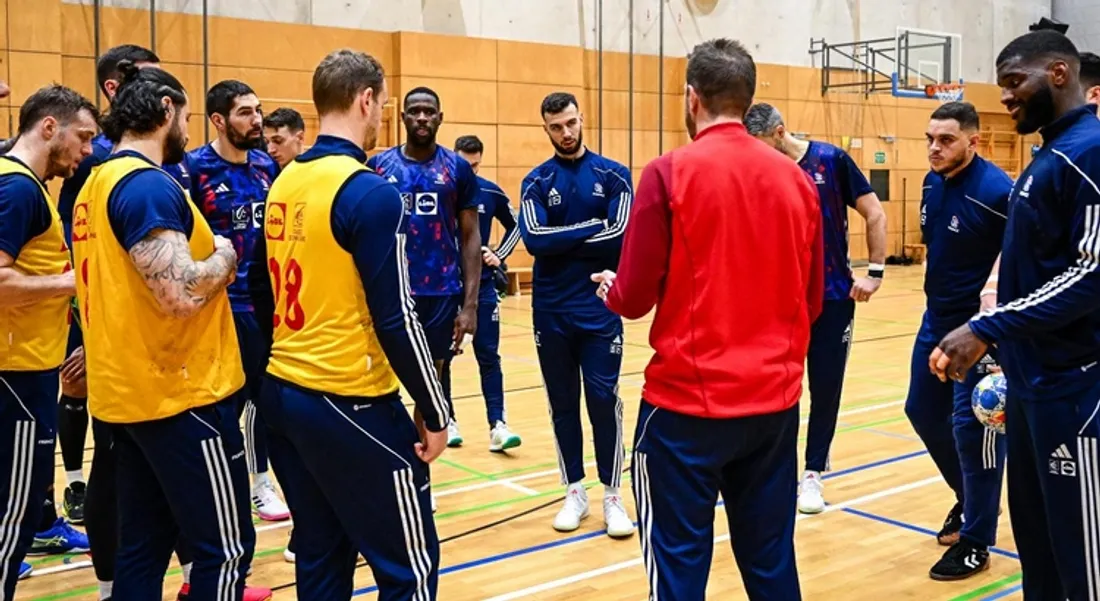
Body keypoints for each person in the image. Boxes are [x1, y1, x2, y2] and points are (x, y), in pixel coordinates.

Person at [591, 38, 821, 600]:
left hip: (686, 411)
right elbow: (812, 299)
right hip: (773, 408)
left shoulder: (669, 172)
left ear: (691, 97)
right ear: (747, 100)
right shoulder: (797, 180)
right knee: (771, 567)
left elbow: (636, 296)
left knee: (678, 573)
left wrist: (612, 292)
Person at [255, 48, 451, 601]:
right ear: (366, 100)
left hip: (284, 394)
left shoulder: (286, 180)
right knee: (409, 568)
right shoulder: (369, 190)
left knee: (320, 552)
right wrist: (435, 408)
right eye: (383, 104)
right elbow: (397, 316)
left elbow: (257, 287)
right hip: (349, 398)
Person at [70, 61, 255, 601]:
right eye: (189, 119)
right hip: (180, 395)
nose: (190, 134)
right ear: (166, 110)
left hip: (129, 395)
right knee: (224, 548)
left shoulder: (95, 183)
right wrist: (224, 254)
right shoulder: (146, 186)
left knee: (143, 548)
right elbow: (179, 293)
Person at [932, 30, 1100, 601]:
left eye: (1012, 83)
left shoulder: (1090, 152)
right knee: (1039, 548)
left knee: (1083, 561)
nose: (1003, 97)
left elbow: (1092, 272)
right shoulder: (1045, 157)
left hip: (1076, 391)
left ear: (1058, 74)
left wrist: (986, 327)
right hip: (1031, 387)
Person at [744, 101, 887, 513]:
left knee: (825, 389)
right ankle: (774, 471)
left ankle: (813, 475)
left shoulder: (830, 159)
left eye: (759, 144)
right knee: (775, 389)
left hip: (832, 298)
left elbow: (874, 213)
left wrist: (874, 272)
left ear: (779, 132)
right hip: (779, 301)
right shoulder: (761, 172)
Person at [44, 45, 158, 545]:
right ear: (115, 87)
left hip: (134, 315)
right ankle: (71, 483)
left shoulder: (142, 154)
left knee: (122, 444)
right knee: (78, 389)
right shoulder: (95, 154)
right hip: (91, 301)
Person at [164, 80, 291, 523]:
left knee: (264, 398)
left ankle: (260, 482)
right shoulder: (193, 169)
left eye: (258, 110)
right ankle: (217, 487)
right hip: (216, 304)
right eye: (244, 113)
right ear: (218, 120)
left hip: (263, 302)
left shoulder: (266, 166)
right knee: (220, 402)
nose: (256, 120)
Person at [518, 91, 634, 538]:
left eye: (570, 123)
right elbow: (533, 239)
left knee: (603, 400)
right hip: (550, 308)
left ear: (582, 119)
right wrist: (591, 228)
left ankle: (612, 496)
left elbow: (619, 237)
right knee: (563, 403)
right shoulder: (535, 181)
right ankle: (574, 490)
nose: (565, 133)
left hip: (600, 305)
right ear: (545, 128)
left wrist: (560, 237)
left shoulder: (615, 176)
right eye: (555, 127)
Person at [0, 84, 98, 597]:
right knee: (11, 520)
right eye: (83, 138)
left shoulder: (28, 186)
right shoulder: (17, 188)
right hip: (15, 375)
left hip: (29, 367)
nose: (86, 151)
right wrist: (73, 280)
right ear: (48, 127)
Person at [906, 102, 1011, 580]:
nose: (934, 147)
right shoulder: (931, 182)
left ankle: (976, 541)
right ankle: (969, 500)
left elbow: (1022, 260)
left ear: (974, 141)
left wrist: (993, 329)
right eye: (930, 137)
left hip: (980, 332)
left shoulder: (998, 192)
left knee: (976, 433)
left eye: (946, 140)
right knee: (921, 410)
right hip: (936, 321)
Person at [367, 86, 480, 448]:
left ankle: (421, 466)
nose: (421, 118)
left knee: (430, 382)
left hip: (440, 295)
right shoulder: (379, 167)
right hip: (390, 292)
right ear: (402, 117)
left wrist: (470, 306)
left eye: (429, 112)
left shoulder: (457, 169)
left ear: (440, 118)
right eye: (414, 111)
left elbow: (471, 239)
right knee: (379, 382)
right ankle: (388, 463)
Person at [454, 134, 522, 452]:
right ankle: (447, 420)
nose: (471, 171)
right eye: (465, 165)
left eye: (476, 165)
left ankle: (498, 424)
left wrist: (499, 255)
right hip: (445, 287)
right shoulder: (442, 189)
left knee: (488, 355)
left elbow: (517, 225)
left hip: (481, 288)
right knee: (442, 356)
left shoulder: (491, 191)